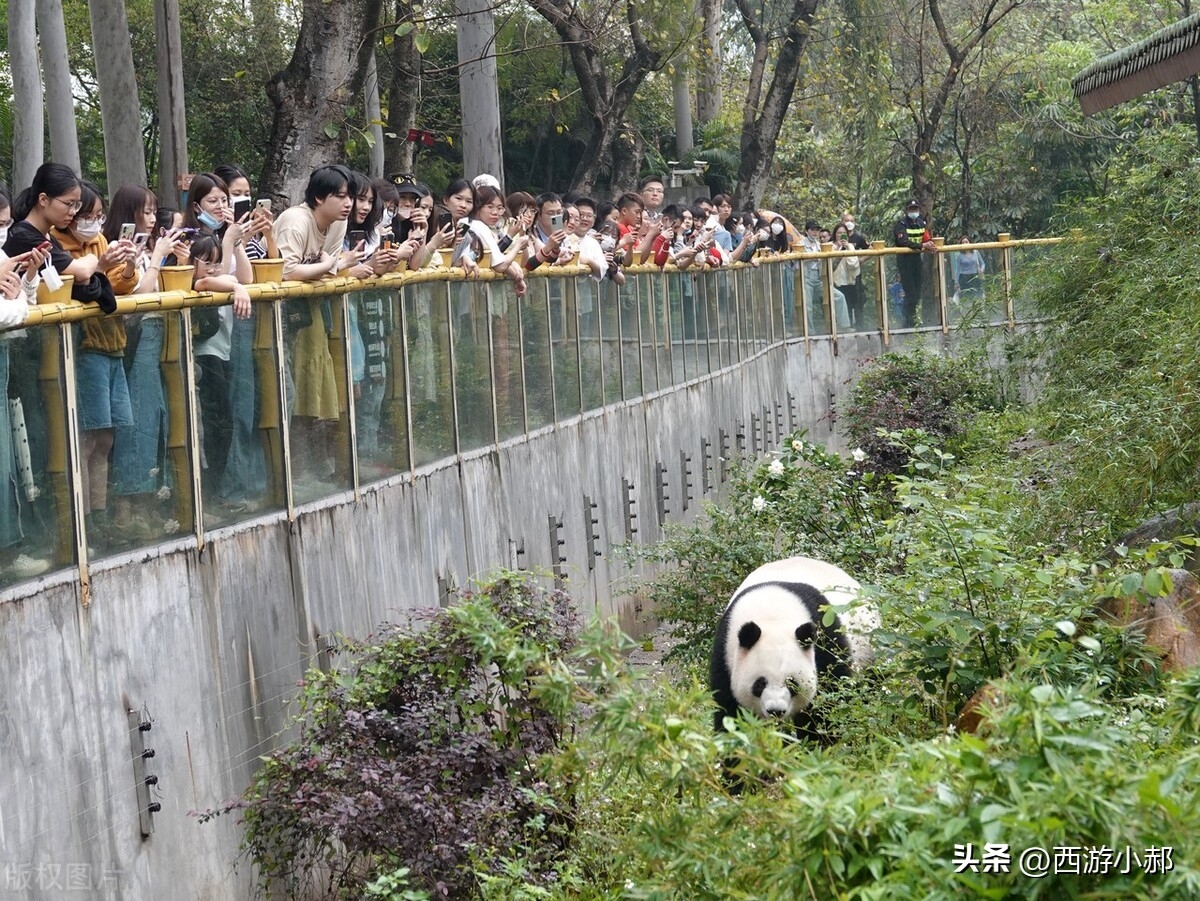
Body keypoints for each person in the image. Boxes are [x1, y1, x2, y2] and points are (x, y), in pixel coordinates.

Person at [51, 181, 139, 545]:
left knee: (106, 438)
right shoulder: (59, 244)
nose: (92, 221)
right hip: (85, 347)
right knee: (86, 439)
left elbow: (118, 288)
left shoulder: (101, 241)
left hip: (114, 343)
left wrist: (129, 266)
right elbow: (86, 286)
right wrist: (99, 269)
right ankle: (82, 522)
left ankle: (100, 517)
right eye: (86, 214)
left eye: (98, 216)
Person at [104, 185, 187, 534]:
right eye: (146, 213)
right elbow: (139, 296)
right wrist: (155, 260)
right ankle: (124, 511)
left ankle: (149, 505)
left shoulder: (149, 248)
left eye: (155, 213)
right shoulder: (114, 250)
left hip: (156, 342)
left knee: (155, 423)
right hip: (132, 343)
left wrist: (177, 261)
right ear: (128, 214)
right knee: (135, 424)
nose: (153, 220)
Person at [273, 164, 363, 484]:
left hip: (313, 315)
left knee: (317, 391)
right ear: (319, 198)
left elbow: (329, 269)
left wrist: (332, 265)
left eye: (350, 195)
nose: (348, 203)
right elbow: (285, 272)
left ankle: (311, 469)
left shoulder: (337, 223)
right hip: (277, 319)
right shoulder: (296, 221)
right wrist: (330, 264)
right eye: (340, 196)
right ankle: (288, 475)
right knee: (290, 395)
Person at [892, 198, 936, 328]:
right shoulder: (901, 225)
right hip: (905, 261)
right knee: (910, 293)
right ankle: (907, 322)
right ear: (906, 210)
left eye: (915, 209)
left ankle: (912, 320)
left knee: (917, 293)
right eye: (911, 209)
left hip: (917, 260)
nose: (913, 211)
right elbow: (903, 242)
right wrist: (922, 245)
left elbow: (926, 238)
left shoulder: (921, 223)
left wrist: (930, 245)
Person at [951, 235, 986, 303]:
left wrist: (981, 270)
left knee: (977, 295)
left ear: (970, 242)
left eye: (966, 242)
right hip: (964, 278)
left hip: (975, 276)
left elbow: (983, 263)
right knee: (966, 296)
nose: (965, 244)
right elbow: (957, 270)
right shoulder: (959, 256)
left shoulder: (976, 252)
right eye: (963, 242)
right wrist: (956, 282)